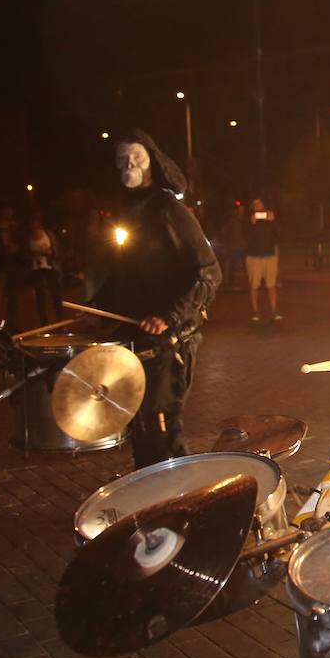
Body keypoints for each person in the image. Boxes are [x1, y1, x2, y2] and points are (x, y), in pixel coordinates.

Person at [94, 129, 221, 469]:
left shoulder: (169, 209)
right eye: (121, 158)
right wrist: (95, 308)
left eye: (136, 157)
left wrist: (169, 316)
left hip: (170, 342)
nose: (128, 164)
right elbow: (122, 274)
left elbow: (209, 273)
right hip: (137, 337)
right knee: (142, 427)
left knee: (163, 426)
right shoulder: (127, 212)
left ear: (152, 161)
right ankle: (152, 490)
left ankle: (182, 492)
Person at [245, 197, 281, 322]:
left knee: (271, 285)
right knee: (254, 285)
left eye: (259, 203)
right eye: (254, 204)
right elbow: (246, 238)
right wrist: (251, 224)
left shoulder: (270, 219)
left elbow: (279, 236)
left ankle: (274, 310)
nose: (257, 206)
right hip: (254, 257)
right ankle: (255, 311)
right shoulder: (248, 220)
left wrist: (273, 221)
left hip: (269, 256)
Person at [23, 215, 63, 325]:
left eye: (36, 223)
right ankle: (44, 323)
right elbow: (24, 253)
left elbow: (56, 250)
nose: (35, 226)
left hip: (50, 267)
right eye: (32, 224)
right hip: (36, 269)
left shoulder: (48, 234)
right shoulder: (27, 238)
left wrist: (50, 252)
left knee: (56, 295)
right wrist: (34, 254)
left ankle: (60, 322)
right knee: (40, 298)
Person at [218, 202, 250, 291]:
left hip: (241, 246)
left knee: (238, 265)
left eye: (242, 209)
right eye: (240, 210)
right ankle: (231, 282)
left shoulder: (243, 220)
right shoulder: (232, 221)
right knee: (233, 264)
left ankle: (236, 282)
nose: (241, 211)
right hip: (234, 246)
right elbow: (223, 231)